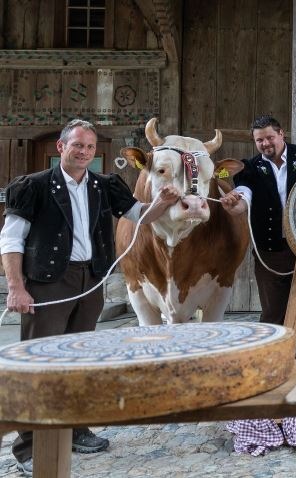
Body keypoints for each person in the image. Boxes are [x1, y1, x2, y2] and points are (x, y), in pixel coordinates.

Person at [0, 119, 180, 476]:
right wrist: (16, 287)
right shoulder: (32, 186)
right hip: (49, 281)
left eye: (89, 147)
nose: (83, 152)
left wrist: (163, 202)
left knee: (79, 361)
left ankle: (75, 429)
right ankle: (28, 446)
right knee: (40, 365)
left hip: (90, 279)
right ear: (61, 148)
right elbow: (11, 239)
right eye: (77, 145)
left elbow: (139, 216)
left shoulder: (103, 185)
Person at [221, 115, 296, 359]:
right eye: (260, 140)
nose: (266, 144)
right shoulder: (249, 168)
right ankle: (275, 359)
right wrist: (233, 203)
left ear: (281, 134)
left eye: (269, 137)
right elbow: (243, 195)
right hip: (270, 251)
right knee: (272, 310)